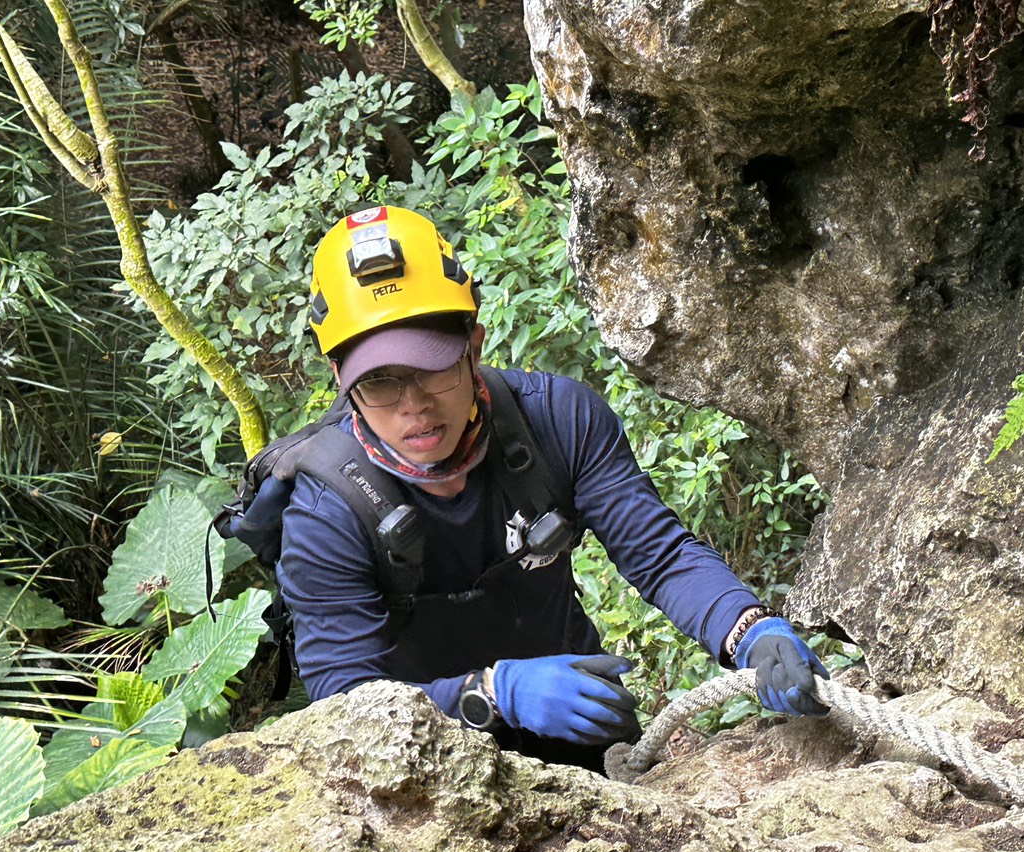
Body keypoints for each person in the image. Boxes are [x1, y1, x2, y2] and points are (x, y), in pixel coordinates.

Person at [277, 205, 829, 772]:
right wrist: (496, 693)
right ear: (342, 380)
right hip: (422, 768)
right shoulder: (328, 512)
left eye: (433, 367)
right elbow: (345, 704)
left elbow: (659, 556)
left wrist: (749, 630)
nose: (413, 405)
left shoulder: (556, 423)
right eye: (379, 383)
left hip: (581, 726)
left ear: (474, 346)